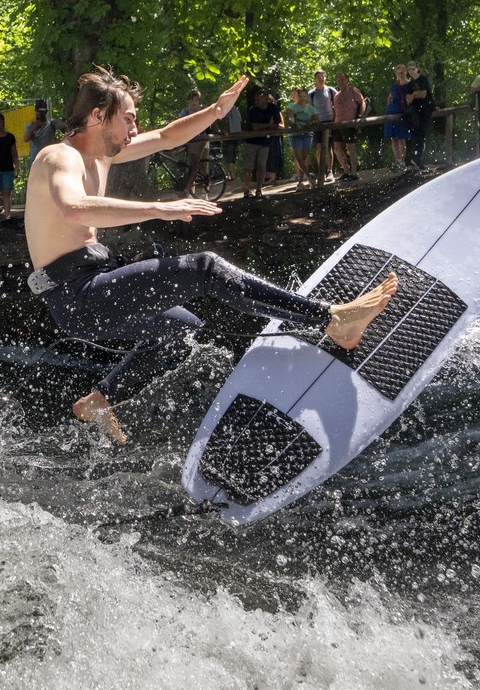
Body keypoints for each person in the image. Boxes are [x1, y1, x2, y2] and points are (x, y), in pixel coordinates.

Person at [24, 68, 399, 444]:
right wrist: (160, 208)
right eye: (129, 120)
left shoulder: (103, 154)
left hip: (93, 284)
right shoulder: (60, 157)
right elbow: (73, 208)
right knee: (204, 268)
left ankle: (100, 400)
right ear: (98, 116)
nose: (134, 131)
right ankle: (332, 319)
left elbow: (168, 136)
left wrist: (216, 111)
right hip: (77, 295)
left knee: (181, 328)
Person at [331, 71, 365, 182]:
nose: (340, 82)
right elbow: (335, 111)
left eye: (342, 79)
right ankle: (346, 171)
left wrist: (360, 116)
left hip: (349, 124)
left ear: (347, 79)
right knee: (337, 148)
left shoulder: (353, 91)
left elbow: (362, 102)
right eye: (338, 80)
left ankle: (354, 172)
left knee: (350, 148)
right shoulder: (337, 95)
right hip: (337, 124)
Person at [242, 88, 275, 198]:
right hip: (251, 141)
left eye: (258, 99)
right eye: (255, 99)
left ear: (265, 99)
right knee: (248, 166)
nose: (256, 102)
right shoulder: (252, 110)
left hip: (265, 142)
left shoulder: (272, 108)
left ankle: (258, 190)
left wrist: (265, 127)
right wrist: (268, 125)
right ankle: (246, 191)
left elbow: (276, 124)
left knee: (262, 166)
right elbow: (255, 127)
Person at [283, 87, 319, 189]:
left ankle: (300, 182)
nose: (302, 98)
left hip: (307, 135)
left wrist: (311, 122)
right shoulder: (292, 106)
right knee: (299, 158)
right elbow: (290, 116)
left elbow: (316, 118)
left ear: (306, 97)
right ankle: (310, 177)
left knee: (303, 158)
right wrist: (293, 123)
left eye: (304, 96)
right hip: (295, 135)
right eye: (300, 96)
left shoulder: (311, 108)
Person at [176, 89, 209, 196]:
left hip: (202, 140)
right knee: (190, 166)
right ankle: (190, 191)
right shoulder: (185, 112)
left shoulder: (202, 110)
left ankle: (203, 191)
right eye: (192, 100)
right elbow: (179, 123)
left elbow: (211, 121)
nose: (194, 103)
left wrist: (218, 131)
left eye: (196, 100)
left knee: (201, 165)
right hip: (191, 140)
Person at [403, 60, 435, 171]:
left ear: (417, 69)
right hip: (414, 112)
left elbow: (423, 94)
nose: (411, 71)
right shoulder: (410, 84)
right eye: (409, 69)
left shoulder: (423, 79)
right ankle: (414, 158)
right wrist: (413, 96)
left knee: (422, 134)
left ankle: (418, 157)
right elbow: (407, 98)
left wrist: (414, 94)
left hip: (425, 110)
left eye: (413, 69)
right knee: (414, 135)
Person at [308, 70, 336, 183]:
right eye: (319, 76)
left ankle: (330, 171)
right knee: (319, 147)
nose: (321, 78)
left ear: (326, 78)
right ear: (315, 78)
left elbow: (338, 103)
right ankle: (322, 171)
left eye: (323, 76)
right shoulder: (311, 93)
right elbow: (309, 109)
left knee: (329, 147)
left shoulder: (331, 90)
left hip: (330, 121)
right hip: (317, 124)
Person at [384, 64, 410, 170]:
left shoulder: (410, 85)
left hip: (402, 113)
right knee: (393, 138)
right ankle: (397, 160)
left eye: (402, 72)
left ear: (406, 72)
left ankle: (402, 162)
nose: (400, 74)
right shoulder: (394, 86)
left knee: (401, 138)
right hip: (391, 112)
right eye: (398, 72)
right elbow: (390, 97)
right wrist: (389, 105)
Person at [23, 99, 58, 175]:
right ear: (35, 112)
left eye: (43, 111)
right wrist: (33, 129)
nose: (40, 114)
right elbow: (25, 139)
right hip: (35, 159)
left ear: (46, 112)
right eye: (39, 111)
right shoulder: (30, 125)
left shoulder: (52, 123)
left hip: (50, 158)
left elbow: (65, 127)